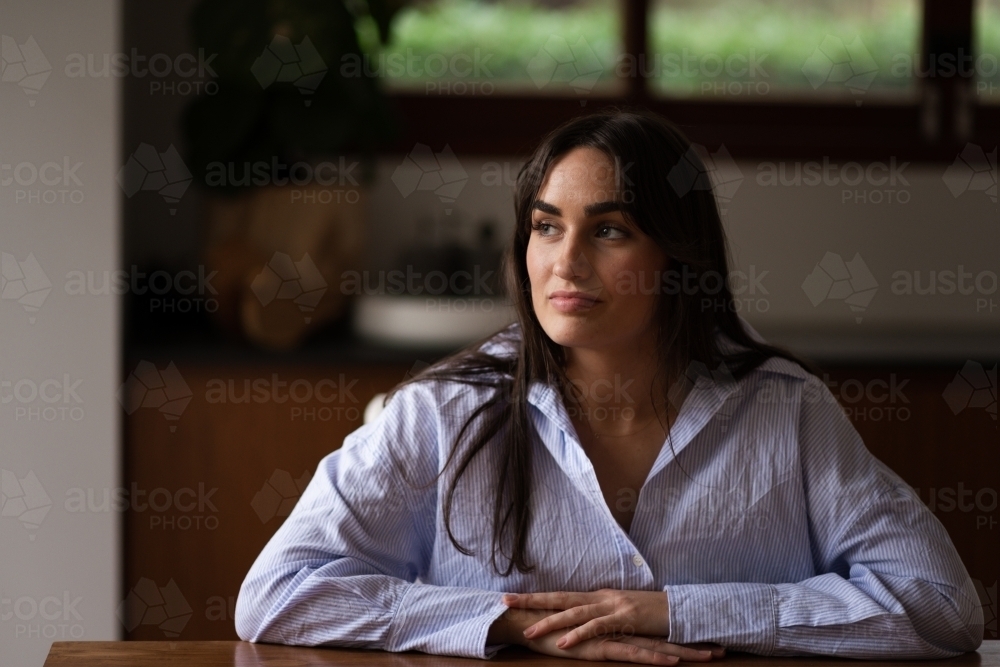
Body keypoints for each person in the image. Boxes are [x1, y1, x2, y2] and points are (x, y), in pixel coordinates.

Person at [234, 109, 984, 664]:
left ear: (679, 256)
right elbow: (276, 592)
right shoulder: (441, 411)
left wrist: (676, 612)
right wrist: (512, 622)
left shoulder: (784, 409)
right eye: (546, 225)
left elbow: (943, 608)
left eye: (610, 230)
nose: (565, 262)